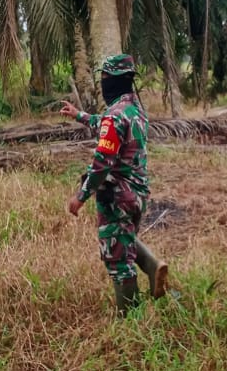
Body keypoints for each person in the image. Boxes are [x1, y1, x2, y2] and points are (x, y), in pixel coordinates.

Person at [61, 54, 168, 313]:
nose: (102, 83)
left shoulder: (115, 116)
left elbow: (101, 164)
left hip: (117, 197)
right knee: (124, 238)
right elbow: (105, 122)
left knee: (117, 259)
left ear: (111, 80)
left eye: (104, 79)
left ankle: (130, 319)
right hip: (138, 194)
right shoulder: (135, 111)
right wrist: (79, 115)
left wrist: (80, 197)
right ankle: (152, 265)